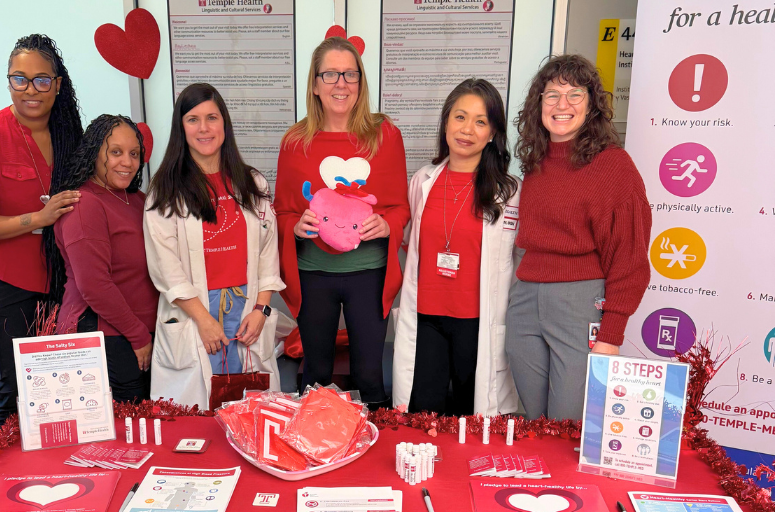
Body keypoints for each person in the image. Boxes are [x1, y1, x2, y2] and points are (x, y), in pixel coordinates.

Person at [507, 54, 652, 420]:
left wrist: (611, 334)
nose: (562, 105)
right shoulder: (536, 162)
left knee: (568, 421)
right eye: (552, 95)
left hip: (580, 302)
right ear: (539, 104)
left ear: (591, 105)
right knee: (533, 420)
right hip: (525, 301)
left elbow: (630, 256)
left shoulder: (613, 165)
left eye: (575, 94)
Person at [274, 36, 409, 408]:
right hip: (313, 275)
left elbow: (401, 207)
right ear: (315, 85)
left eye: (350, 74)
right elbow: (281, 212)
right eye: (330, 74)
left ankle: (375, 440)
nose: (341, 83)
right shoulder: (295, 142)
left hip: (369, 274)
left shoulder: (385, 136)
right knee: (315, 373)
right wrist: (294, 226)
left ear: (360, 83)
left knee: (369, 375)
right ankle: (313, 438)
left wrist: (387, 224)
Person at [0, 34, 83, 429]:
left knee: (63, 391)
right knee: (15, 394)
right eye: (20, 79)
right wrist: (39, 218)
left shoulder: (69, 134)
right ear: (9, 81)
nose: (31, 90)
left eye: (42, 80)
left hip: (64, 281)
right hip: (9, 283)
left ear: (57, 85)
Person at [144, 83, 285, 407]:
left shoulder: (252, 183)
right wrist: (204, 320)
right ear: (181, 128)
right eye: (193, 119)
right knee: (197, 413)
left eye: (212, 118)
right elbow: (165, 268)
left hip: (247, 311)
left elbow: (267, 254)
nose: (204, 128)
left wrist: (261, 310)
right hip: (195, 312)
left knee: (249, 412)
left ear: (224, 123)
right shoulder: (165, 191)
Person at [393, 79, 521, 417]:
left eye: (480, 122)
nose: (467, 130)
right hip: (427, 319)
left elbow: (517, 260)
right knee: (423, 418)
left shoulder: (509, 193)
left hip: (477, 322)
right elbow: (410, 244)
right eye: (460, 117)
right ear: (446, 121)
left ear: (493, 133)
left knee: (473, 420)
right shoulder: (422, 181)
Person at [53, 115, 155, 402]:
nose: (127, 162)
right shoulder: (85, 204)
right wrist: (138, 335)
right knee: (125, 426)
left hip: (138, 334)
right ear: (94, 154)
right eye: (115, 152)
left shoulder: (136, 199)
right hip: (107, 335)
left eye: (134, 154)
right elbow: (94, 285)